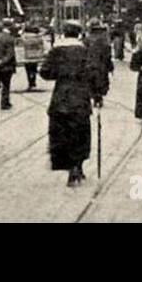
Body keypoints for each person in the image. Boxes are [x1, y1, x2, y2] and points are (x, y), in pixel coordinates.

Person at [39, 20, 97, 186]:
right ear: (79, 34)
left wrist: (60, 73)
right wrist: (96, 93)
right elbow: (93, 72)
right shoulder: (85, 51)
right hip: (81, 98)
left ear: (64, 33)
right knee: (80, 132)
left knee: (63, 133)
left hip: (61, 98)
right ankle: (78, 165)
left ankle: (69, 167)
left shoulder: (56, 51)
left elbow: (45, 72)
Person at [85, 19, 114, 107]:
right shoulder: (104, 39)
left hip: (90, 64)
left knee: (91, 81)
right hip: (101, 64)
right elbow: (108, 53)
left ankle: (95, 97)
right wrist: (110, 66)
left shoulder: (87, 39)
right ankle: (99, 97)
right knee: (101, 81)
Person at [0, 20, 18, 110]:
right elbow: (10, 54)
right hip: (6, 66)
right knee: (6, 85)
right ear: (9, 27)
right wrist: (3, 61)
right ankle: (5, 103)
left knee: (3, 84)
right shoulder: (10, 38)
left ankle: (5, 102)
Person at [21, 22, 44, 90]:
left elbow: (21, 46)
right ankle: (33, 82)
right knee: (34, 68)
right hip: (36, 55)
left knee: (28, 69)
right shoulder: (38, 38)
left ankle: (30, 82)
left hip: (27, 56)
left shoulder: (24, 38)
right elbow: (41, 46)